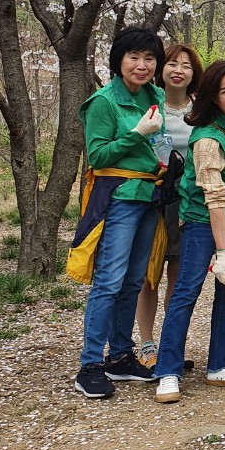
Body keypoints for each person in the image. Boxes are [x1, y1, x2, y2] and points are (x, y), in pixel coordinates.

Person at [153, 61, 225, 403]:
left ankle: (220, 365)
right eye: (224, 91)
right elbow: (214, 197)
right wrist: (222, 250)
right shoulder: (208, 139)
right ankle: (167, 371)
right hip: (203, 223)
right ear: (212, 98)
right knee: (186, 292)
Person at [71, 26, 167, 398]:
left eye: (149, 58)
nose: (142, 65)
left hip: (149, 194)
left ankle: (121, 355)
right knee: (109, 280)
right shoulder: (103, 102)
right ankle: (90, 364)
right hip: (119, 196)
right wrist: (138, 133)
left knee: (133, 280)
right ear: (119, 60)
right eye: (134, 57)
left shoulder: (154, 95)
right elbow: (97, 156)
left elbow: (161, 144)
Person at [136, 43, 202, 369]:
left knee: (178, 276)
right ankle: (146, 345)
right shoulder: (149, 106)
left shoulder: (201, 109)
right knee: (149, 275)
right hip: (152, 198)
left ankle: (170, 345)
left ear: (194, 73)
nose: (179, 70)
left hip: (186, 201)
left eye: (186, 65)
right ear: (162, 69)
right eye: (173, 63)